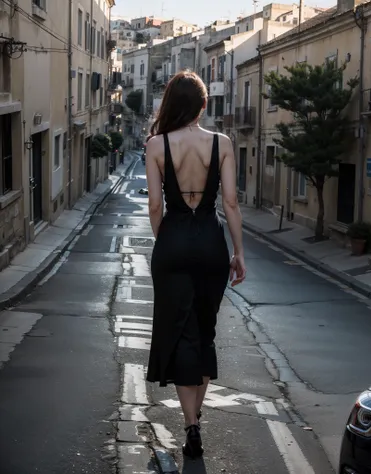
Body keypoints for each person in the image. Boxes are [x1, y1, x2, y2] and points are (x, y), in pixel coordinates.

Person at [145, 70, 246, 459]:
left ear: (170, 104)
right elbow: (231, 203)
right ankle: (196, 419)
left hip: (173, 243)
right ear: (204, 105)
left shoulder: (156, 145)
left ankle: (190, 425)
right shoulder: (221, 143)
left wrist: (166, 241)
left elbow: (156, 206)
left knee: (180, 333)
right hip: (210, 245)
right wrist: (239, 252)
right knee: (204, 333)